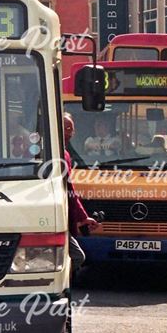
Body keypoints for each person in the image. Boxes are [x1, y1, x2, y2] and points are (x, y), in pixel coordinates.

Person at [63, 113, 101, 274]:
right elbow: (69, 188)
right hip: (60, 215)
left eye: (72, 128)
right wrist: (83, 217)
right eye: (68, 128)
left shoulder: (61, 152)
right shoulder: (62, 155)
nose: (72, 132)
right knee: (77, 256)